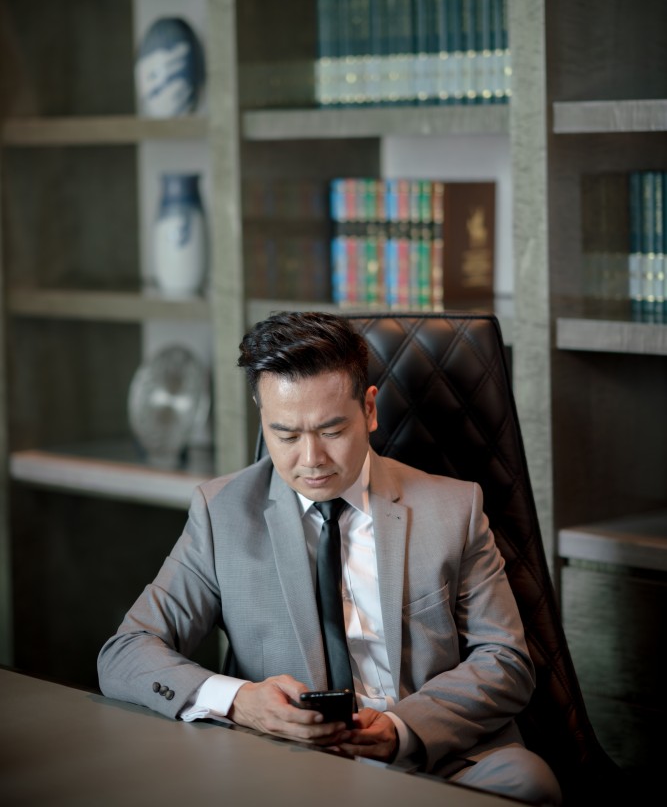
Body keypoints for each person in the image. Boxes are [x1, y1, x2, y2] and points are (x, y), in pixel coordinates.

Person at [98, 311, 561, 805]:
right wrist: (239, 702)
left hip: (437, 758)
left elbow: (505, 661)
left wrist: (403, 729)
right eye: (286, 435)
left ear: (369, 410)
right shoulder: (221, 514)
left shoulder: (454, 508)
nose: (311, 459)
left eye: (332, 430)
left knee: (527, 783)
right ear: (262, 418)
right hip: (288, 768)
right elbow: (125, 653)